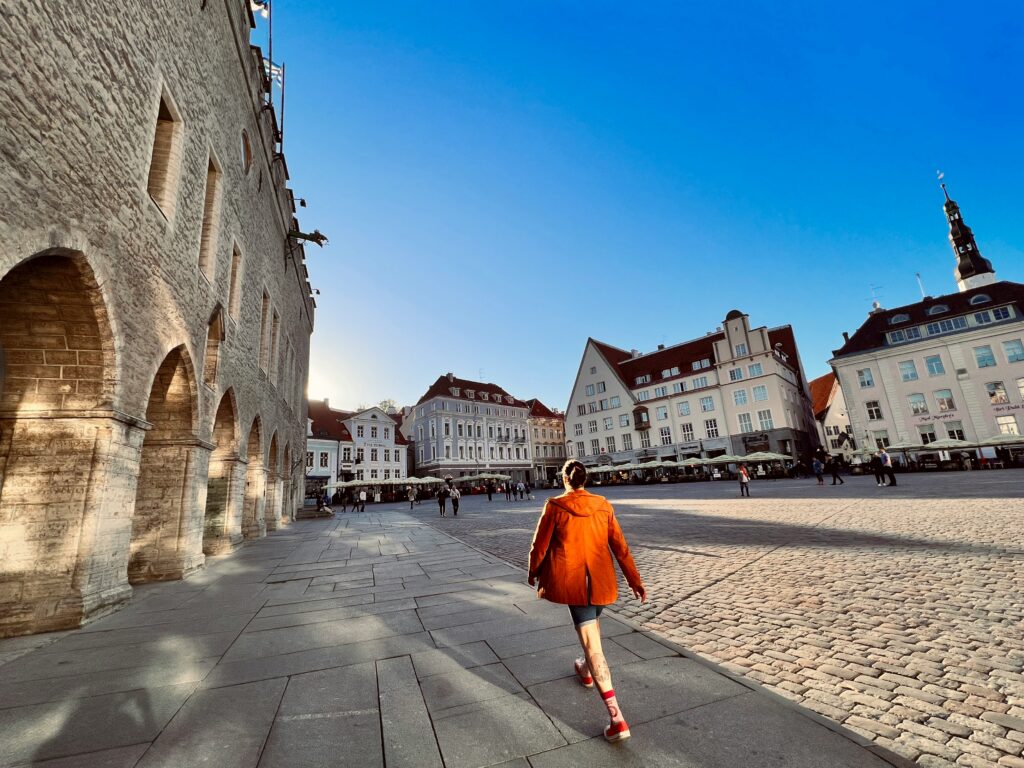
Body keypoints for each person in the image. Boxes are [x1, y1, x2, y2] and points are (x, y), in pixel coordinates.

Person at [528, 460, 646, 743]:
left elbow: (539, 545)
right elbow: (620, 545)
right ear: (586, 480)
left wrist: (533, 570)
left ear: (565, 480)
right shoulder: (603, 504)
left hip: (576, 583)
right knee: (591, 631)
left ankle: (616, 717)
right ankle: (584, 668)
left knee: (593, 644)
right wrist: (634, 580)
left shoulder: (555, 506)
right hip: (602, 584)